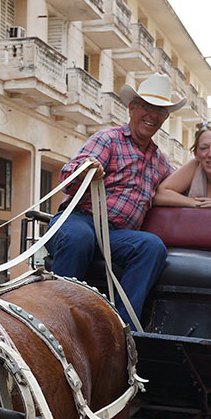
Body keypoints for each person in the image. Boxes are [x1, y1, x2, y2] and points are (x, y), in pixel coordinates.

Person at [46, 73, 185, 327]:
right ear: (133, 107)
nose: (153, 116)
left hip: (116, 237)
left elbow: (183, 185)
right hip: (79, 222)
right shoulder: (108, 139)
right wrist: (87, 168)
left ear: (165, 118)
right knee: (79, 238)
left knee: (152, 246)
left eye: (161, 111)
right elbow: (68, 176)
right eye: (148, 107)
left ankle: (122, 328)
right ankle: (58, 321)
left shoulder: (160, 160)